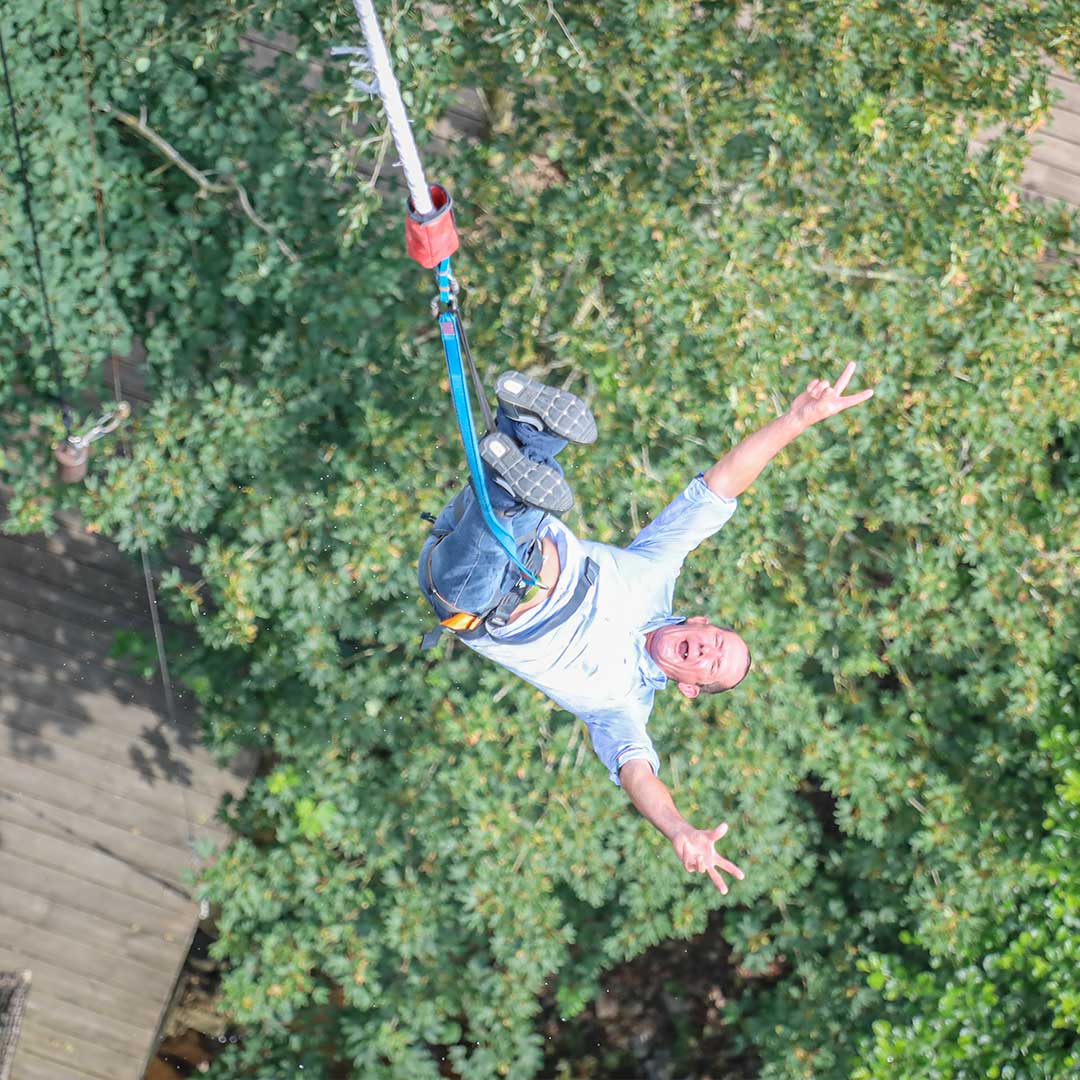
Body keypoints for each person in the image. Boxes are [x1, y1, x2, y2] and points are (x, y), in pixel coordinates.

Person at [419, 364, 874, 894]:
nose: (705, 651)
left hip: (466, 591)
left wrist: (680, 829)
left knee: (524, 529)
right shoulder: (657, 569)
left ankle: (520, 466)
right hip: (482, 530)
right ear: (702, 622)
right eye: (717, 642)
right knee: (533, 520)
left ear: (688, 686)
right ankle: (521, 439)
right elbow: (720, 488)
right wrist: (797, 420)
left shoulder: (621, 708)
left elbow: (639, 777)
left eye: (708, 666)